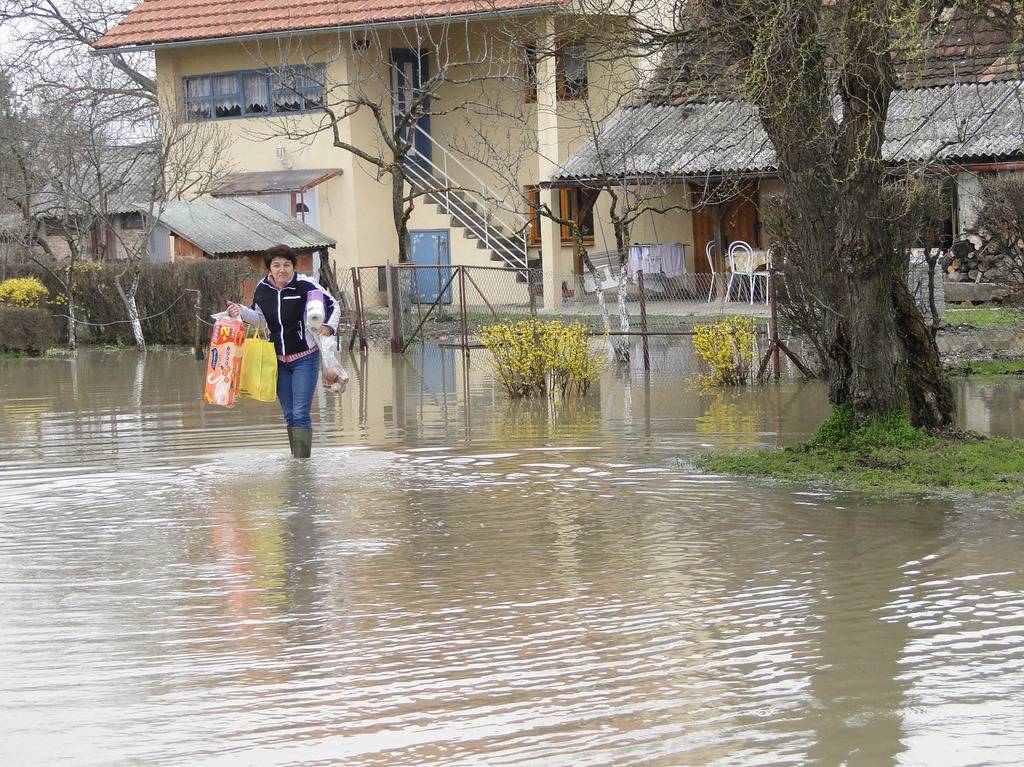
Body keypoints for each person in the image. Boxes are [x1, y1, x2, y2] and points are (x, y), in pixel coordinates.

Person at [227, 244, 339, 458]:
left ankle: (303, 464)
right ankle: (297, 461)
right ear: (269, 268)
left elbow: (333, 305)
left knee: (300, 413)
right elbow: (260, 320)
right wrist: (240, 310)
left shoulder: (306, 285)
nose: (282, 269)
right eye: (276, 265)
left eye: (287, 265)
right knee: (289, 415)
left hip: (304, 358)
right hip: (276, 360)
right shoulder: (262, 288)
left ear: (293, 267)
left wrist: (328, 327)